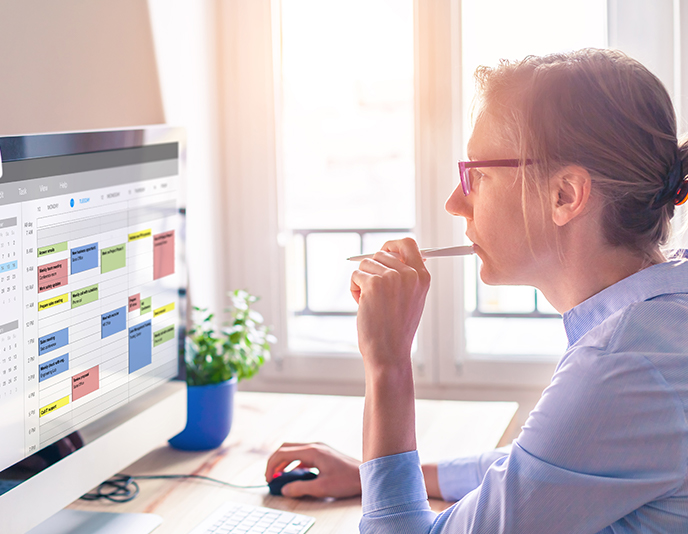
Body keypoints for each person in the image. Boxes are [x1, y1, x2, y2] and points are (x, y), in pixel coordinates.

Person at [265, 48, 688, 533]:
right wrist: (374, 476)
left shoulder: (622, 364)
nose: (454, 202)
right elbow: (541, 467)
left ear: (565, 195)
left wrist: (388, 364)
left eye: (478, 176)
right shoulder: (658, 321)